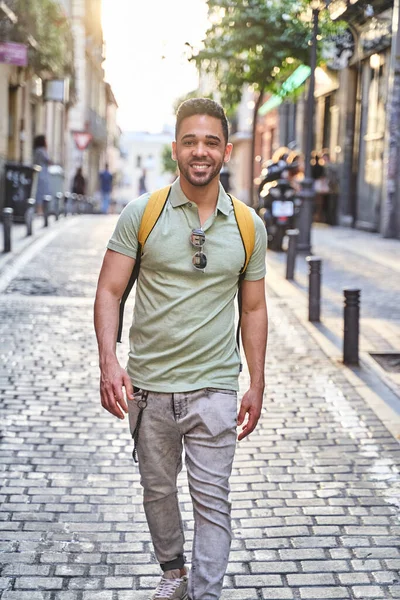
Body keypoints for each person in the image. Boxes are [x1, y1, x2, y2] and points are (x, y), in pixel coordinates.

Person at [94, 98, 268, 600]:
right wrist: (109, 361)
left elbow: (254, 309)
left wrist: (256, 381)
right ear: (175, 149)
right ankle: (173, 572)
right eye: (190, 140)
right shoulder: (141, 214)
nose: (200, 151)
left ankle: (205, 593)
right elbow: (108, 290)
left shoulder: (248, 225)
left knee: (213, 500)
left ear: (226, 151)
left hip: (214, 387)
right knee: (158, 490)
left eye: (211, 142)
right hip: (148, 389)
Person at [33, 135, 51, 215]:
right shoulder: (41, 150)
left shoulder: (37, 150)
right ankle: (40, 210)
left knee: (42, 191)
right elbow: (47, 160)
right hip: (42, 173)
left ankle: (40, 209)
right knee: (41, 191)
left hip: (42, 172)